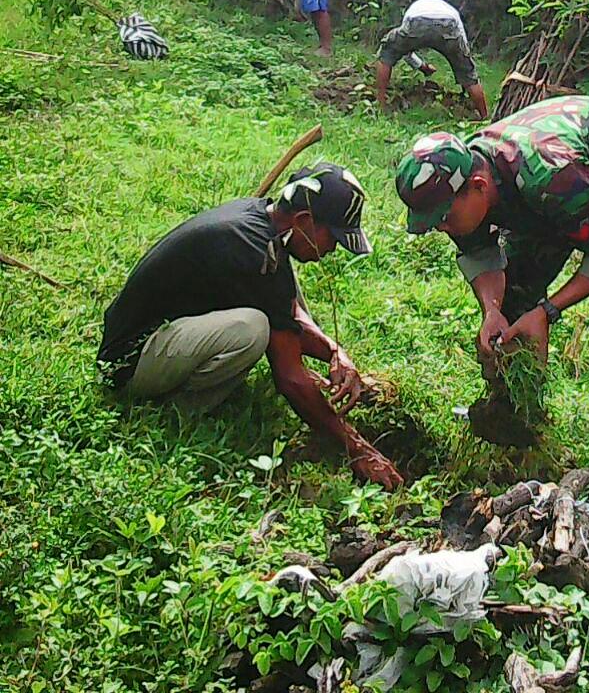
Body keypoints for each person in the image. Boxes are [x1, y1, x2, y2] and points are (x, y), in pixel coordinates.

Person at [394, 96, 589, 516]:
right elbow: (479, 252)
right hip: (557, 195)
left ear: (479, 188)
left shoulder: (551, 178)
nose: (442, 228)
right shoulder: (459, 177)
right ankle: (513, 421)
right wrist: (493, 309)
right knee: (513, 303)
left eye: (445, 219)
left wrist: (549, 312)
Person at [97, 163, 401, 489]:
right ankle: (172, 410)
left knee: (280, 295)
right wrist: (357, 448)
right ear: (304, 221)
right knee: (254, 329)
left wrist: (333, 353)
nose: (332, 250)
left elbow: (287, 309)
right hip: (129, 361)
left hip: (159, 336)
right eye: (334, 238)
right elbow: (290, 378)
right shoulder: (254, 251)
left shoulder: (262, 223)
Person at [376, 0, 488, 118]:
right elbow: (462, 45)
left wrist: (420, 66)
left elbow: (404, 49)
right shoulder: (450, 9)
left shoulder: (415, 6)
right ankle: (485, 117)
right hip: (448, 22)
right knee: (469, 74)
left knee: (387, 52)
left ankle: (381, 104)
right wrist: (464, 69)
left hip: (416, 20)